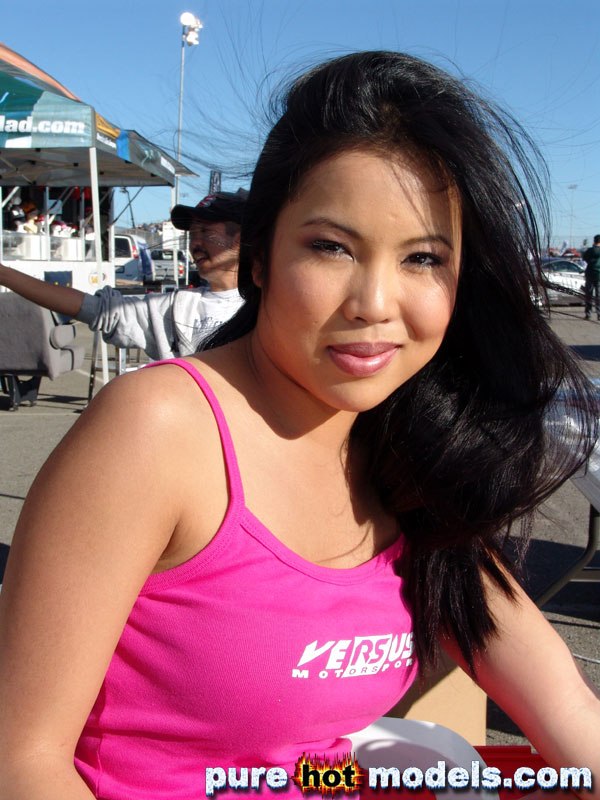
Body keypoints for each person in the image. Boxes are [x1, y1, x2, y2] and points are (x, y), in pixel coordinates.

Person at [1, 51, 599, 800]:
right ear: (260, 258)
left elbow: (569, 711)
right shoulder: (161, 431)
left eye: (422, 258)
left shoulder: (409, 454)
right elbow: (21, 758)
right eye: (331, 247)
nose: (374, 303)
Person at [0, 190, 247, 360]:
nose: (195, 243)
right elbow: (95, 309)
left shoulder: (263, 305)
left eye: (205, 231)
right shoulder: (174, 308)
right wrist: (5, 275)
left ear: (241, 238)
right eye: (192, 234)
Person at [583, 234, 600, 320]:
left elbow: (584, 258)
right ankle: (599, 313)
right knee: (598, 295)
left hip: (590, 273)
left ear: (594, 241)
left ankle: (588, 313)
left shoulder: (589, 250)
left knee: (589, 294)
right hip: (599, 275)